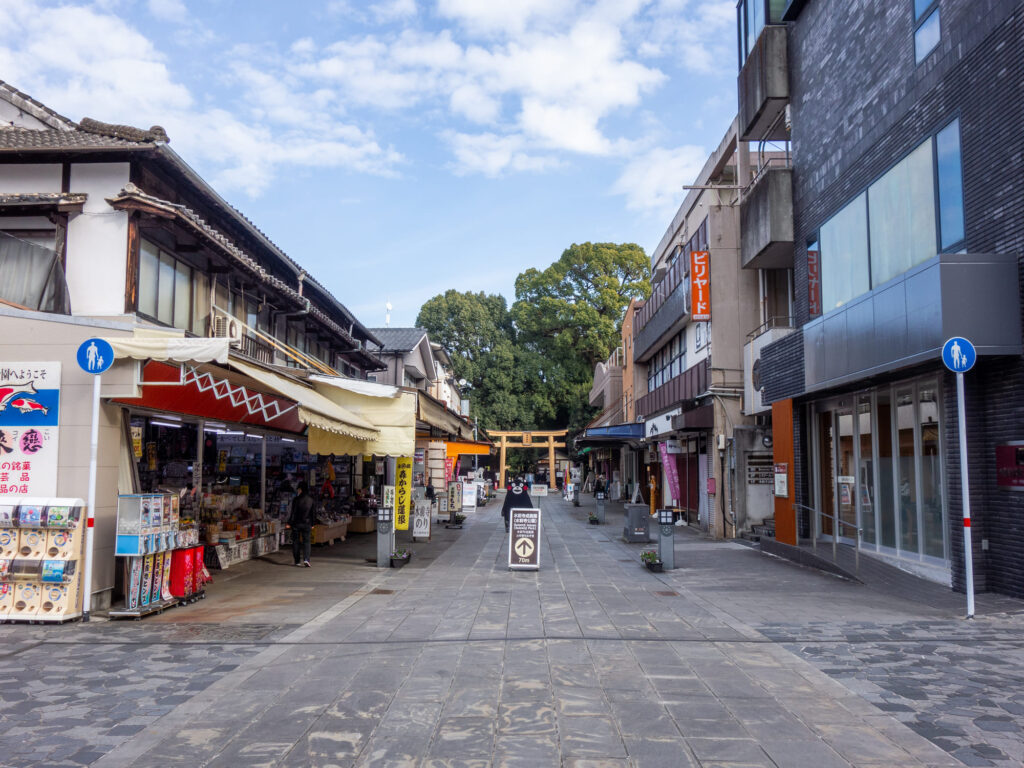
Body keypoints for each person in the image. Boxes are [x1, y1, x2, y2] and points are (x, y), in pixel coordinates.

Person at [288, 481, 315, 567]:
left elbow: (293, 513)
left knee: (296, 542)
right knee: (307, 542)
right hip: (307, 524)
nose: (298, 491)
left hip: (296, 523)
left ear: (301, 489)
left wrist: (289, 523)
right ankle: (306, 559)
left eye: (298, 489)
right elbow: (313, 513)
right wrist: (313, 523)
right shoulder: (311, 500)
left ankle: (297, 561)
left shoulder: (296, 500)